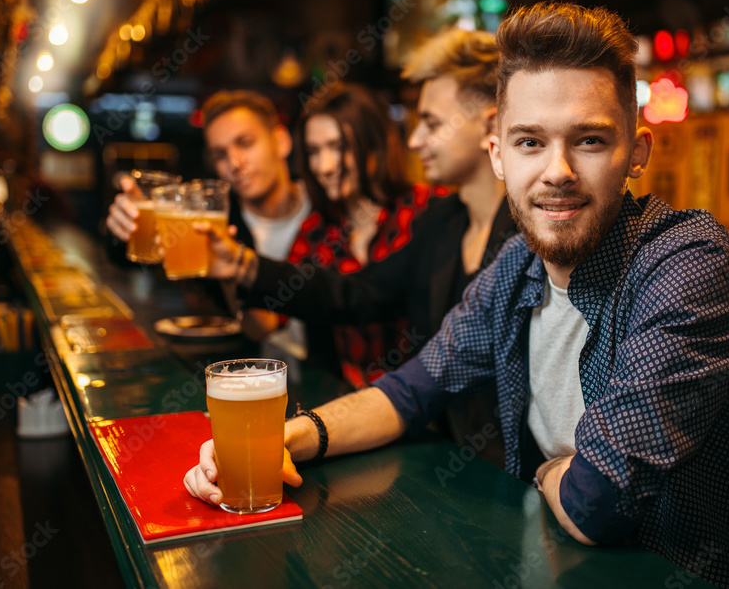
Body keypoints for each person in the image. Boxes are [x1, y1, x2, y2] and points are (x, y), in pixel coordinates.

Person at [187, 2, 729, 587]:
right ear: (499, 155)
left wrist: (548, 473)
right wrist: (283, 440)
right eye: (530, 141)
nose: (557, 170)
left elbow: (598, 502)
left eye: (589, 140)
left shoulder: (686, 261)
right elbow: (409, 390)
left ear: (636, 152)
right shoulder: (516, 268)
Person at [196, 29, 516, 466]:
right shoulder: (445, 222)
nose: (416, 140)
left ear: (489, 126)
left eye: (431, 123)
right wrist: (240, 264)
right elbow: (356, 296)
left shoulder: (520, 231)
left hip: (498, 466)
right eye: (315, 151)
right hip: (424, 441)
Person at [106, 90, 312, 345]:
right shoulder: (212, 223)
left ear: (280, 141)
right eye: (220, 154)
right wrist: (121, 229)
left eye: (245, 143)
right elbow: (139, 258)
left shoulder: (325, 209)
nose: (234, 163)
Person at [289, 82, 442, 387]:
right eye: (313, 151)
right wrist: (227, 268)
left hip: (429, 402)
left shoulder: (426, 208)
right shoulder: (317, 229)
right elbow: (267, 317)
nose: (324, 166)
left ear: (373, 144)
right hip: (353, 405)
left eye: (338, 147)